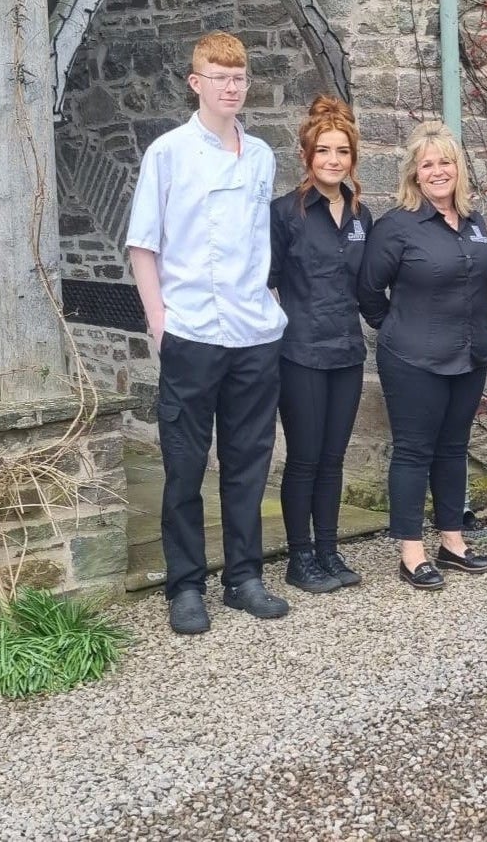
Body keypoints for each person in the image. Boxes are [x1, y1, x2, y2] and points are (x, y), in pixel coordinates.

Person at [126, 31, 289, 634]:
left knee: (248, 462)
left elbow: (258, 244)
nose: (231, 87)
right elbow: (144, 245)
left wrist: (270, 301)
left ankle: (244, 576)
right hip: (192, 332)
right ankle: (186, 585)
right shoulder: (167, 153)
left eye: (239, 77)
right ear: (195, 83)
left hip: (252, 334)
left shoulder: (263, 155)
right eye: (219, 77)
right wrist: (159, 323)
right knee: (185, 465)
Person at [357, 122, 487, 591]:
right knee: (415, 451)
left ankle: (452, 542)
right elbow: (369, 291)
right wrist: (401, 330)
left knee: (454, 449)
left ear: (459, 169)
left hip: (470, 353)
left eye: (446, 162)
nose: (438, 171)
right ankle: (411, 552)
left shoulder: (475, 223)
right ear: (415, 174)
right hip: (413, 358)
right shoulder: (397, 225)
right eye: (428, 164)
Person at [268, 96, 373, 594]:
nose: (334, 160)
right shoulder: (285, 213)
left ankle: (329, 548)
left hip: (347, 352)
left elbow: (369, 286)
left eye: (343, 151)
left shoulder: (361, 215)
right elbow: (265, 282)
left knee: (334, 457)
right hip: (301, 352)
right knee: (306, 457)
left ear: (353, 157)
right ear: (306, 157)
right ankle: (300, 556)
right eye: (324, 151)